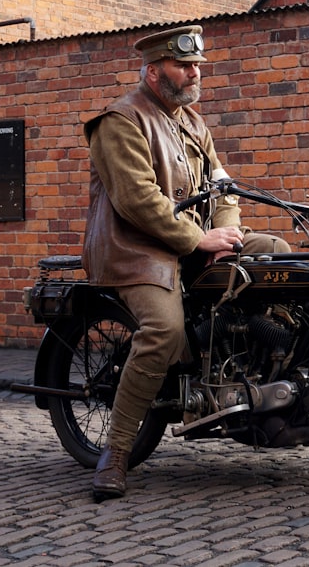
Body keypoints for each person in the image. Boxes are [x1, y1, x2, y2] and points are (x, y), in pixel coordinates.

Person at [82, 25, 288, 501]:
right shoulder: (120, 120)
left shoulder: (193, 122)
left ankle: (259, 369)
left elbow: (224, 187)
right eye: (184, 65)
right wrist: (200, 239)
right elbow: (138, 201)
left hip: (194, 243)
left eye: (197, 65)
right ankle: (115, 454)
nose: (195, 73)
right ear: (155, 72)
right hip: (137, 250)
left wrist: (228, 233)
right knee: (164, 331)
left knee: (275, 253)